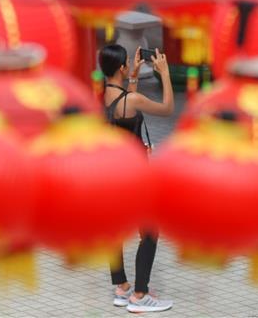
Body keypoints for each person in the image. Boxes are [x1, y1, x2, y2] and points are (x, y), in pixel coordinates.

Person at [99, 42, 174, 314]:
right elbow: (166, 108)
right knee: (151, 230)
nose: (131, 63)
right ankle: (140, 296)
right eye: (128, 62)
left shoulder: (105, 94)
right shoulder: (130, 100)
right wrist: (163, 73)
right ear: (121, 66)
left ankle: (121, 287)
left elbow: (123, 111)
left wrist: (132, 79)